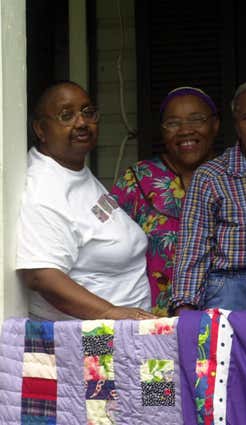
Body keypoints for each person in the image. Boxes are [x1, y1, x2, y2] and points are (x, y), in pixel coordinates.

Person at [16, 81, 155, 321]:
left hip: (120, 334)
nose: (81, 123)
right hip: (89, 341)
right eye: (66, 115)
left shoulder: (72, 170)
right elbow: (42, 275)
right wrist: (111, 313)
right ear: (40, 129)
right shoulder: (44, 188)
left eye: (88, 112)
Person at [170, 80, 246, 313]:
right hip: (230, 289)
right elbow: (193, 248)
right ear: (236, 123)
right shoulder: (211, 176)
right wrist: (185, 310)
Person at [111, 87, 219, 316]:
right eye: (173, 123)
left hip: (220, 319)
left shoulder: (232, 178)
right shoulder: (137, 179)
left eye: (196, 119)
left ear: (215, 125)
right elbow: (95, 227)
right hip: (147, 320)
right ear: (162, 131)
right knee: (94, 349)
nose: (185, 130)